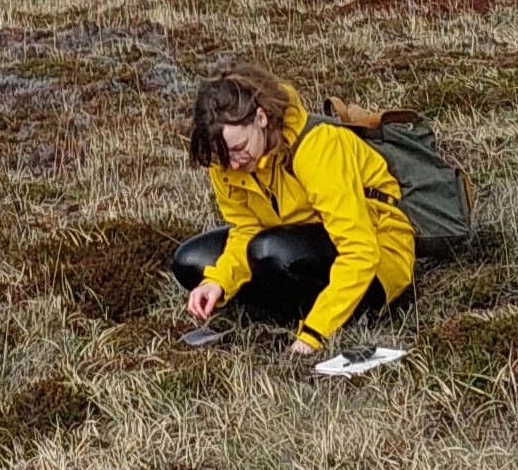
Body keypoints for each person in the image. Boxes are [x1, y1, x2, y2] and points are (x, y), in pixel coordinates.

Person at [172, 67, 416, 356]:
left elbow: (360, 250)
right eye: (224, 158)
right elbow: (246, 230)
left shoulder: (317, 146)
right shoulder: (224, 160)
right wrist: (218, 282)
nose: (235, 165)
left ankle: (339, 309)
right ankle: (296, 301)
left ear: (261, 118)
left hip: (377, 254)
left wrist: (315, 333)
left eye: (239, 148)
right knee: (190, 262)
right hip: (290, 240)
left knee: (268, 251)